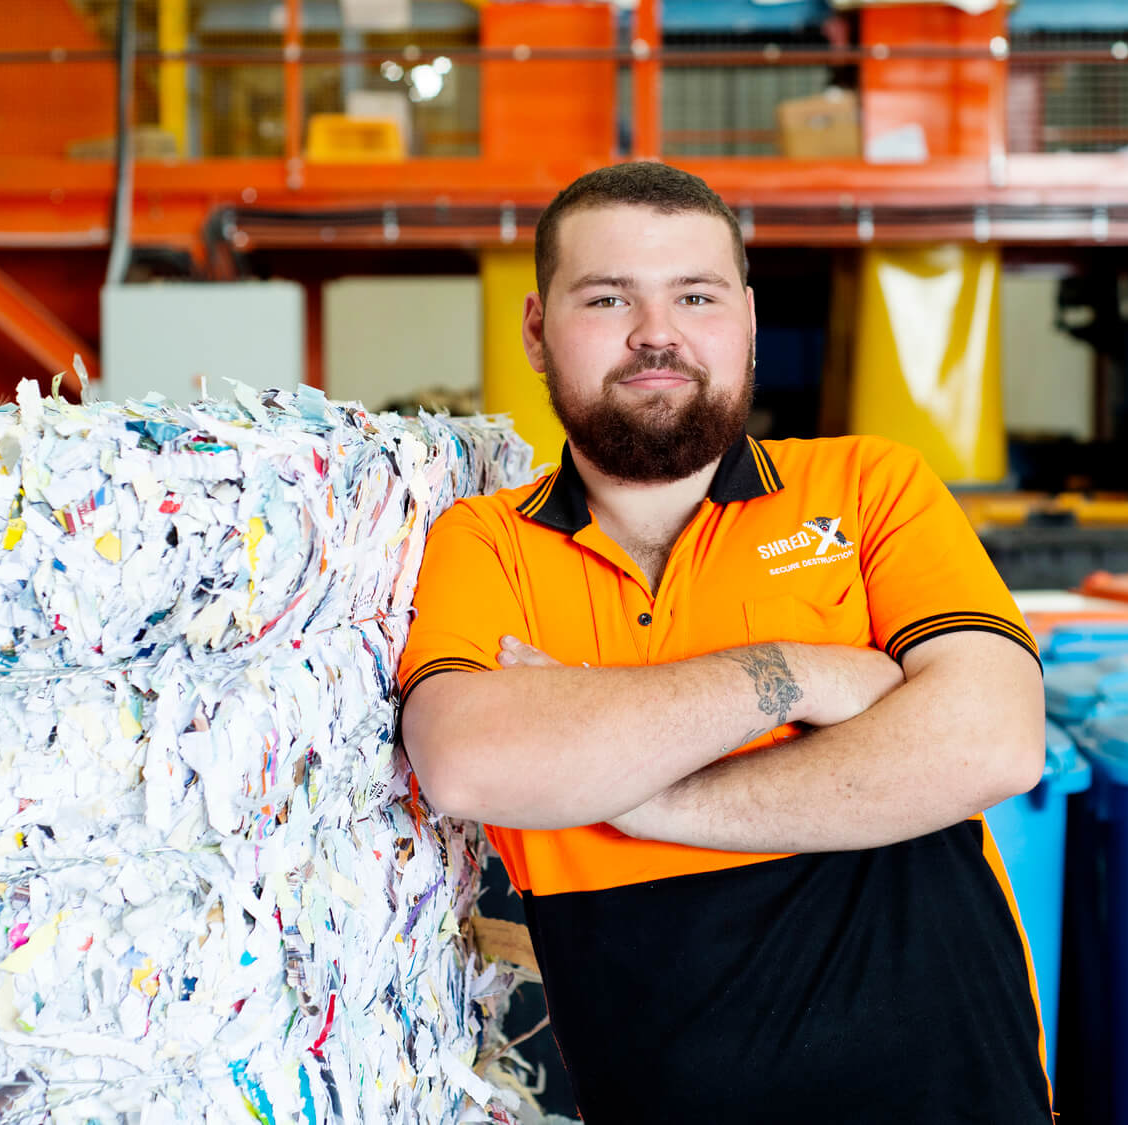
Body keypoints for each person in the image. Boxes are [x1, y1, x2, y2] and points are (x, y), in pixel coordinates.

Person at [398, 161, 1051, 1124]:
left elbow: (992, 739)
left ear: (745, 319)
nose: (655, 332)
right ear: (537, 331)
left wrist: (629, 792)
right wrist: (798, 675)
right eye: (608, 296)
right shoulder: (487, 540)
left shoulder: (870, 487)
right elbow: (466, 761)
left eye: (694, 296)